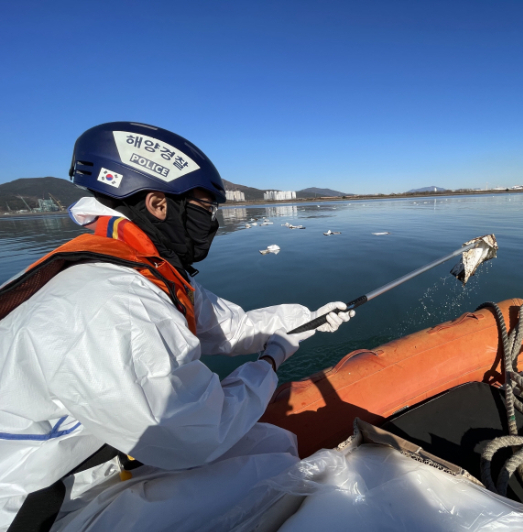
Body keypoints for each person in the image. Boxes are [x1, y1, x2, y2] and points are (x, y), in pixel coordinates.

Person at [0, 122, 354, 531]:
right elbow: (197, 435)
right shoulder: (114, 303)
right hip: (36, 503)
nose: (212, 221)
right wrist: (270, 362)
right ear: (157, 204)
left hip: (83, 456)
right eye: (205, 209)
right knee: (264, 471)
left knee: (270, 445)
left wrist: (305, 319)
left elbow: (229, 327)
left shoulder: (135, 269)